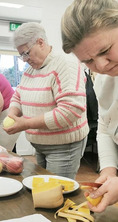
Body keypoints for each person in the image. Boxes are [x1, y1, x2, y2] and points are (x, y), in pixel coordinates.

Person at [4, 22, 89, 179]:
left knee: (56, 194)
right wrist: (13, 113)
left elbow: (69, 112)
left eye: (26, 53)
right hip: (40, 145)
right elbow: (18, 95)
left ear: (40, 42)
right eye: (21, 55)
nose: (24, 60)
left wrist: (26, 123)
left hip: (63, 147)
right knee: (44, 190)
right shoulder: (31, 70)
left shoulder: (65, 64)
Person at [61, 0, 118, 212]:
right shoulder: (103, 78)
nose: (101, 65)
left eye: (105, 50)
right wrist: (109, 171)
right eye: (89, 61)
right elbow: (105, 125)